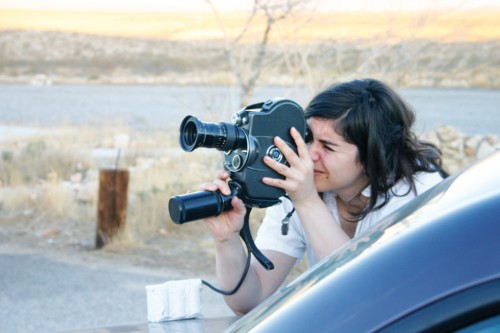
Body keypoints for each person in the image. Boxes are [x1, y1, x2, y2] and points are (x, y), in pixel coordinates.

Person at [201, 78, 448, 315]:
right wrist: (227, 240)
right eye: (307, 139)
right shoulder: (301, 186)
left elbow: (368, 295)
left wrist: (307, 200)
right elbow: (249, 300)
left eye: (328, 147)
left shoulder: (418, 194)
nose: (310, 155)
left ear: (374, 153)